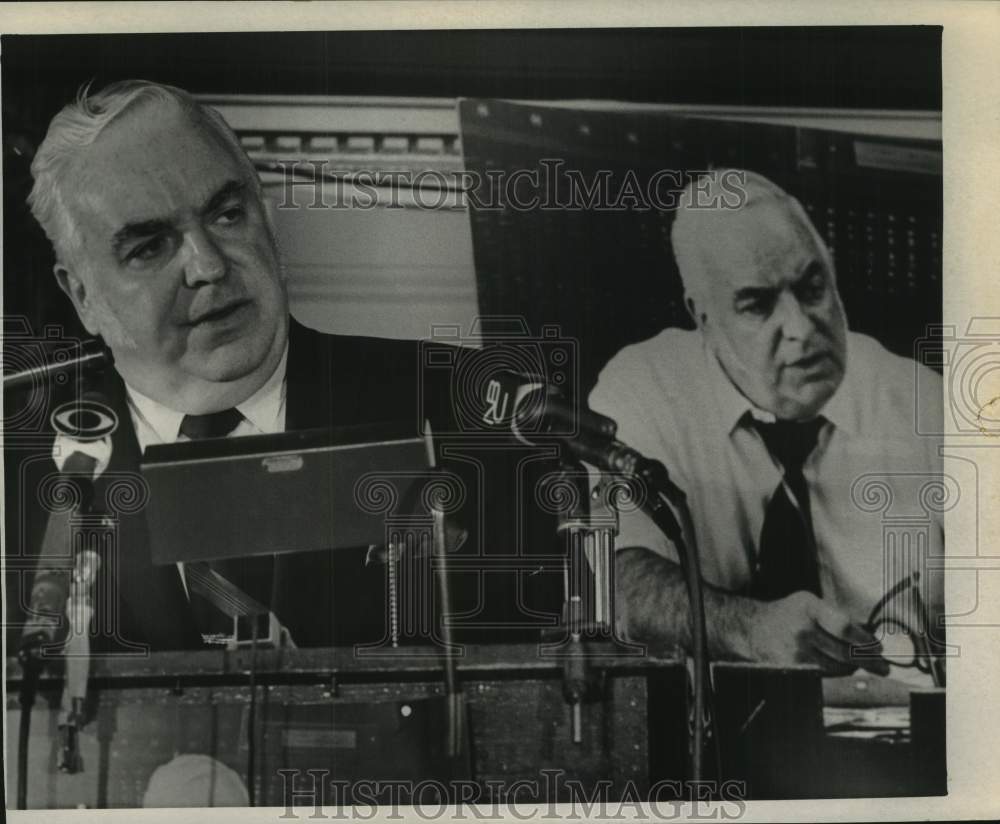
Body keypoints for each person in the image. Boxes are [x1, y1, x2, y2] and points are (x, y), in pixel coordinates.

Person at [9, 79, 456, 651]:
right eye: (149, 247)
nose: (209, 266)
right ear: (83, 297)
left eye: (226, 215)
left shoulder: (460, 409)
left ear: (266, 219)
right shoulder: (18, 488)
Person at [588, 170, 944, 679]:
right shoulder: (645, 391)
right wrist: (749, 629)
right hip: (715, 727)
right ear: (703, 318)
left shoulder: (926, 407)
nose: (800, 329)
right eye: (757, 304)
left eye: (813, 288)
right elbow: (621, 586)